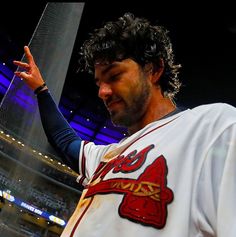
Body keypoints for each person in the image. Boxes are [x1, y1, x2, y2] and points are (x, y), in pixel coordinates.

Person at [13, 12, 236, 237]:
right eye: (99, 82)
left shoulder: (213, 127)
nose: (102, 92)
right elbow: (65, 140)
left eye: (114, 75)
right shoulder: (110, 156)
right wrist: (41, 90)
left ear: (154, 69)